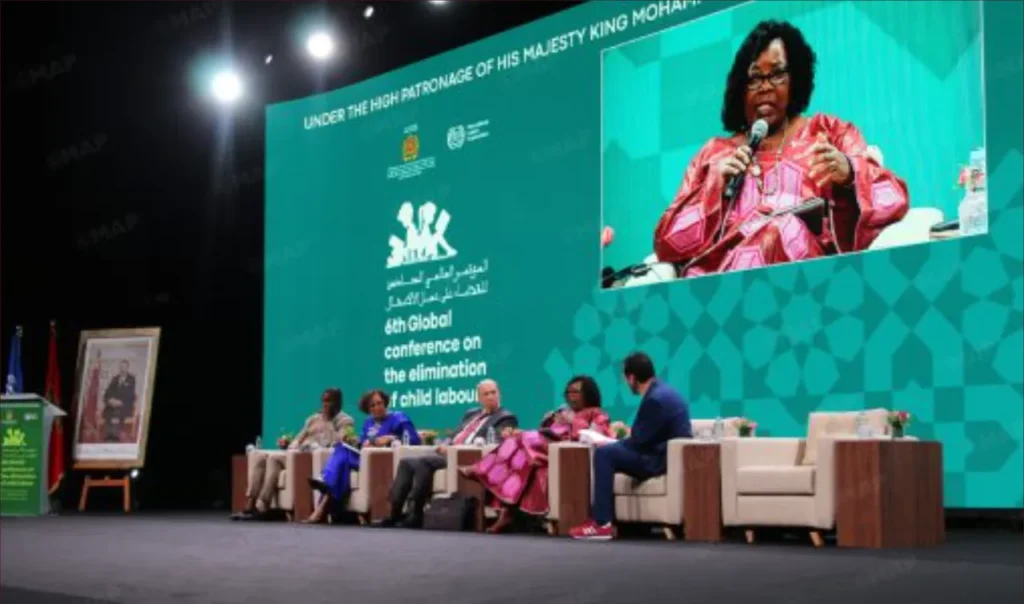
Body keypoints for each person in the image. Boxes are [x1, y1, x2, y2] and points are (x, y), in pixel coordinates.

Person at [644, 20, 908, 278]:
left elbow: (893, 200)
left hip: (808, 282)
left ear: (796, 79)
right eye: (755, 78)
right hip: (719, 282)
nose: (765, 86)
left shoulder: (829, 132)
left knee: (780, 230)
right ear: (741, 87)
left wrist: (850, 173)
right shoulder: (715, 153)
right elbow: (666, 244)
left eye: (777, 74)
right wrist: (714, 186)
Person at [463, 376, 612, 534]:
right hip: (548, 447)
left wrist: (574, 420)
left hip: (564, 452)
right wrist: (550, 420)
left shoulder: (598, 414)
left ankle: (481, 468)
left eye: (576, 392)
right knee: (517, 449)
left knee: (522, 437)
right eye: (568, 392)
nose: (571, 396)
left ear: (588, 393)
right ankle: (506, 512)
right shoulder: (564, 412)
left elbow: (595, 437)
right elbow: (549, 430)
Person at [569, 352, 692, 540]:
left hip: (657, 459)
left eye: (626, 379)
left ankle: (602, 524)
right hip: (664, 454)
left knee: (604, 454)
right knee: (610, 451)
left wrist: (611, 443)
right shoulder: (664, 391)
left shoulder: (655, 399)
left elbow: (639, 440)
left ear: (632, 378)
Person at [377, 379, 517, 528]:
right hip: (448, 453)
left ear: (499, 394)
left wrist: (452, 449)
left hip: (466, 457)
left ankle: (416, 514)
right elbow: (455, 434)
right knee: (407, 462)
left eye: (493, 393)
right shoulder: (472, 413)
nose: (490, 397)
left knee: (423, 463)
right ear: (479, 398)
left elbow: (494, 443)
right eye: (486, 394)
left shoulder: (505, 417)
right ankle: (394, 514)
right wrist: (445, 443)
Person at [233, 388, 353, 521]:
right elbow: (298, 438)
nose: (325, 404)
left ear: (338, 403)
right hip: (298, 454)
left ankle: (261, 507)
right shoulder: (313, 419)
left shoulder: (345, 421)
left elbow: (339, 444)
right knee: (264, 457)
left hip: (314, 458)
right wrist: (292, 445)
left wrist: (329, 422)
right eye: (323, 401)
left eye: (329, 401)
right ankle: (253, 505)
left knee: (274, 458)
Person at [306, 389, 420, 523]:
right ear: (368, 409)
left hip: (382, 461)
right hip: (365, 459)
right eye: (372, 405)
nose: (377, 407)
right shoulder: (368, 422)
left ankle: (324, 498)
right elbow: (363, 443)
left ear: (385, 403)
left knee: (341, 460)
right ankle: (327, 497)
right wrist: (356, 442)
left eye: (379, 403)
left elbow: (414, 440)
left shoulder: (399, 418)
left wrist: (391, 438)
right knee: (341, 451)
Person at [102, 360, 137, 442]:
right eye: (121, 367)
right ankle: (109, 436)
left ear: (127, 368)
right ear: (119, 368)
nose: (122, 369)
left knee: (116, 412)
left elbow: (130, 395)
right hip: (112, 405)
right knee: (110, 411)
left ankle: (114, 437)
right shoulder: (115, 378)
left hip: (124, 405)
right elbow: (107, 393)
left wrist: (119, 402)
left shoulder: (131, 379)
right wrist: (110, 400)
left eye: (124, 367)